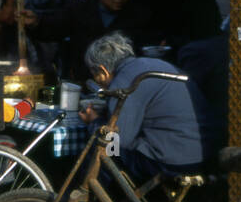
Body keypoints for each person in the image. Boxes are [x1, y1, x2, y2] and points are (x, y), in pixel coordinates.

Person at [79, 32, 222, 183]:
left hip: (171, 162)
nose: (99, 82)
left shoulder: (123, 82)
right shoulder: (154, 64)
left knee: (102, 154)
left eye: (96, 76)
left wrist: (94, 122)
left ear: (103, 71)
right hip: (205, 155)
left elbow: (117, 141)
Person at [18, 0, 157, 80]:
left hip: (123, 81)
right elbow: (55, 27)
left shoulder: (137, 16)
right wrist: (36, 22)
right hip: (84, 79)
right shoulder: (80, 10)